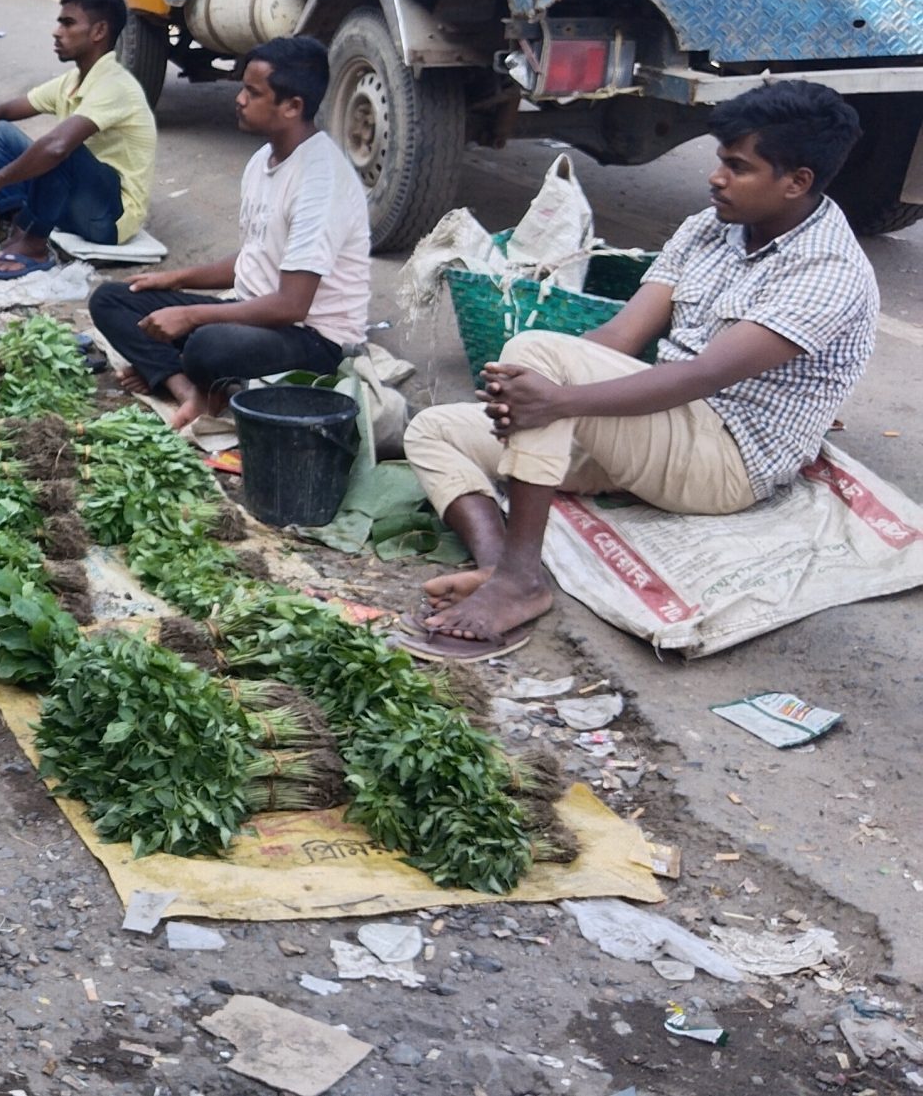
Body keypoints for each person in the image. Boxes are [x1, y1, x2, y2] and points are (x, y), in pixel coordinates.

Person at [398, 81, 879, 662]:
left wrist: (557, 399)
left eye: (737, 166)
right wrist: (525, 394)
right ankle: (500, 565)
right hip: (652, 432)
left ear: (797, 182)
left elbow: (700, 377)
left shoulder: (826, 269)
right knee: (435, 428)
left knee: (541, 360)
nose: (716, 177)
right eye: (719, 160)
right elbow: (618, 338)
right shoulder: (707, 229)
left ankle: (521, 579)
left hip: (723, 459)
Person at [88, 35, 369, 431]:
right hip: (252, 312)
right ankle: (189, 389)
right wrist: (173, 279)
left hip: (312, 339)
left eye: (253, 93)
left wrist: (190, 316)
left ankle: (178, 371)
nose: (238, 99)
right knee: (114, 299)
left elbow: (292, 306)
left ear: (292, 106)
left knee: (208, 343)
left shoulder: (320, 180)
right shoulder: (263, 160)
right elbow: (256, 255)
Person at [0, 0, 157, 278]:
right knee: (0, 132)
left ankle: (34, 246)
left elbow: (57, 148)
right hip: (73, 204)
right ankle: (17, 232)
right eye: (59, 22)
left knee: (59, 147)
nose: (57, 32)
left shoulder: (116, 85)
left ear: (98, 32)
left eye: (68, 23)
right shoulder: (72, 81)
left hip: (109, 219)